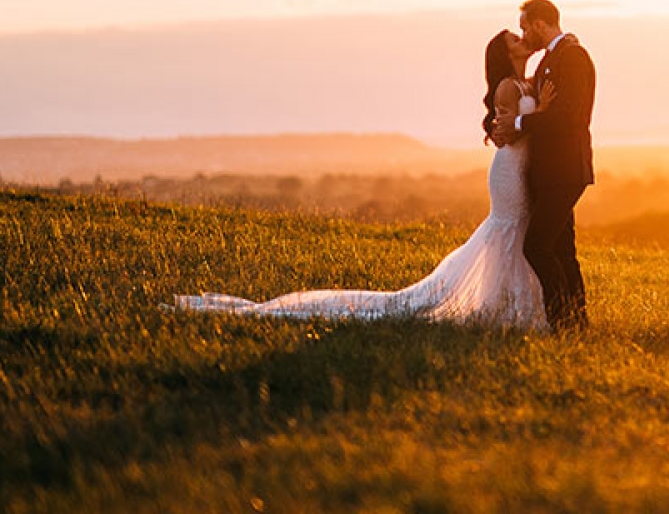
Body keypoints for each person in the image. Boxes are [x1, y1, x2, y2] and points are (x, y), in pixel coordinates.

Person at [173, 29, 547, 328]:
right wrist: (539, 116)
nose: (521, 40)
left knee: (515, 234)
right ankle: (506, 308)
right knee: (506, 232)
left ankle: (512, 304)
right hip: (509, 172)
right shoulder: (506, 86)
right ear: (505, 53)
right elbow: (507, 132)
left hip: (519, 169)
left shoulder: (526, 81)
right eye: (515, 40)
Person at [488, 0, 595, 332]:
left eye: (524, 27)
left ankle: (562, 322)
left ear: (538, 23)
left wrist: (520, 124)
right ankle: (577, 323)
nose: (524, 34)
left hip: (564, 170)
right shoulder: (551, 59)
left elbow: (568, 118)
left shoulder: (573, 57)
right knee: (562, 249)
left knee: (537, 245)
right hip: (549, 171)